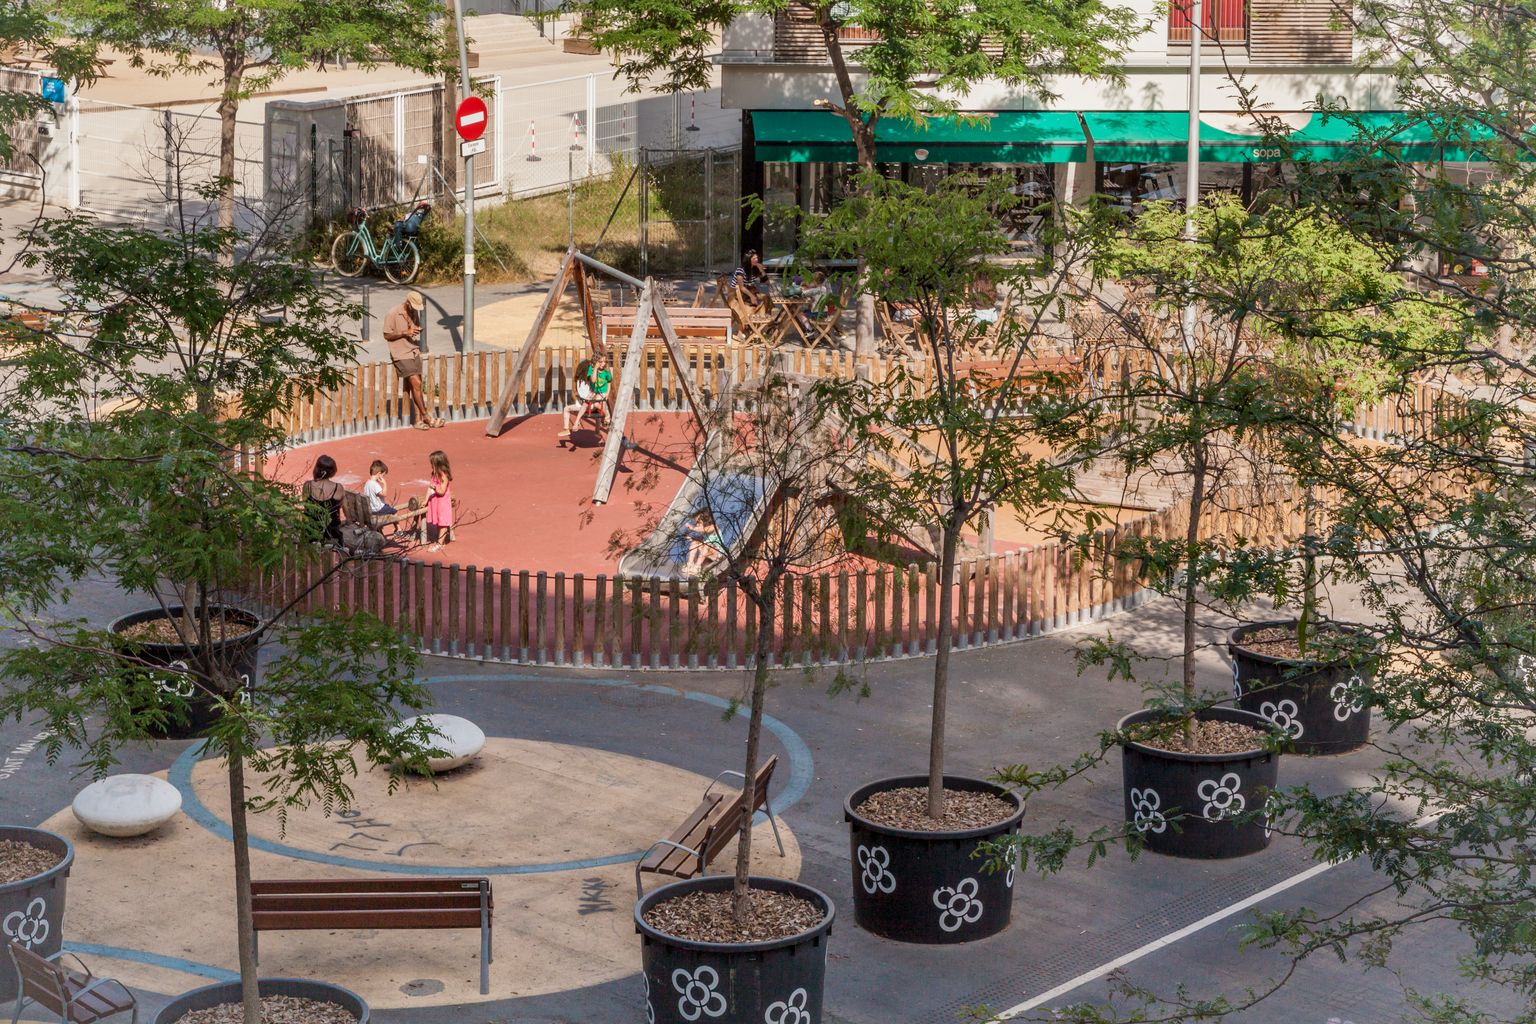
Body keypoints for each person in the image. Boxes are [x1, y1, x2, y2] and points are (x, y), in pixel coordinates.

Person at [383, 290, 443, 430]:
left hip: (413, 351)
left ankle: (417, 420)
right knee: (416, 383)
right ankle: (426, 416)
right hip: (400, 353)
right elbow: (386, 335)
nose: (416, 309)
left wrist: (414, 329)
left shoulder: (414, 312)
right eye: (414, 306)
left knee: (417, 386)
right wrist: (405, 332)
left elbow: (412, 328)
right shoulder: (393, 313)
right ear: (408, 302)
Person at [559, 351, 613, 438]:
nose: (603, 364)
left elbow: (608, 382)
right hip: (592, 401)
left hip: (592, 404)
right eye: (600, 362)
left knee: (573, 407)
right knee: (591, 403)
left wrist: (607, 393)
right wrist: (595, 368)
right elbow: (593, 381)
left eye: (604, 362)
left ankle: (605, 416)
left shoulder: (603, 374)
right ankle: (594, 429)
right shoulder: (590, 374)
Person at [301, 454, 347, 546]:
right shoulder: (338, 488)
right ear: (332, 471)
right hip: (332, 534)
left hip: (310, 533)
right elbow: (346, 509)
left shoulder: (308, 486)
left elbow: (305, 505)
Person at [424, 449, 454, 552]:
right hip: (436, 502)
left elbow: (441, 491)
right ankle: (440, 541)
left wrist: (435, 487)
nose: (431, 465)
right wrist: (425, 500)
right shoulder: (434, 474)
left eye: (432, 463)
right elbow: (429, 488)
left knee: (443, 523)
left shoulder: (444, 475)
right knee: (439, 522)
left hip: (442, 503)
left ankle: (440, 544)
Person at [681, 509, 722, 577]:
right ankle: (690, 564)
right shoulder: (704, 533)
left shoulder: (714, 527)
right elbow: (701, 539)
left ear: (706, 520)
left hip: (717, 554)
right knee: (695, 542)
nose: (697, 525)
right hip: (707, 552)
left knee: (707, 545)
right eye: (696, 523)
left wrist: (692, 528)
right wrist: (692, 538)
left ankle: (697, 567)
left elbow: (705, 530)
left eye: (698, 522)